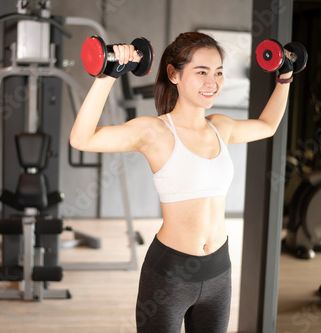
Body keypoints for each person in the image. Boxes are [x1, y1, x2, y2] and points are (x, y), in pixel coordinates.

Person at [70, 31, 293, 333]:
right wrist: (108, 73)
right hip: (169, 275)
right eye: (201, 72)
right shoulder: (155, 132)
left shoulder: (221, 127)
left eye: (218, 73)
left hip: (219, 272)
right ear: (174, 74)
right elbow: (82, 139)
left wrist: (285, 78)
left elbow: (267, 126)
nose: (212, 82)